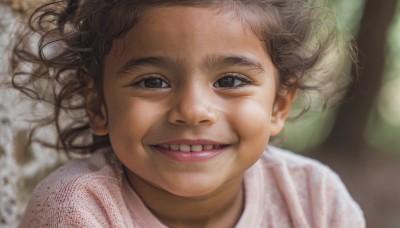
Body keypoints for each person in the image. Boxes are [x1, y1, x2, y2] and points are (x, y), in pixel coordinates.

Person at [12, 0, 365, 227]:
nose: (193, 111)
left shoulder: (316, 200)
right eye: (152, 82)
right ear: (96, 103)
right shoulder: (76, 211)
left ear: (279, 104)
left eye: (230, 80)